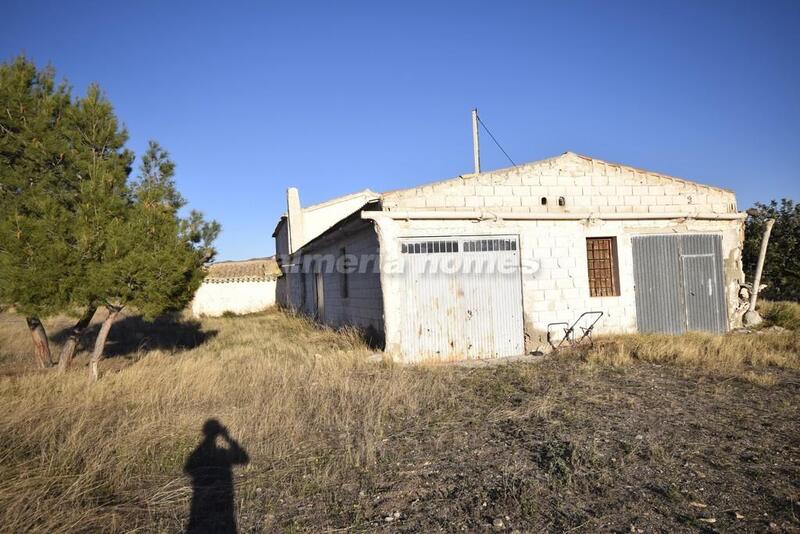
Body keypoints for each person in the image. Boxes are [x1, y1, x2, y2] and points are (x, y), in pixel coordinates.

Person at [184, 419, 249, 533]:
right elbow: (244, 458)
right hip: (221, 497)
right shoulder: (217, 452)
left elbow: (188, 469)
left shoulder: (198, 452)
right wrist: (227, 437)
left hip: (202, 497)